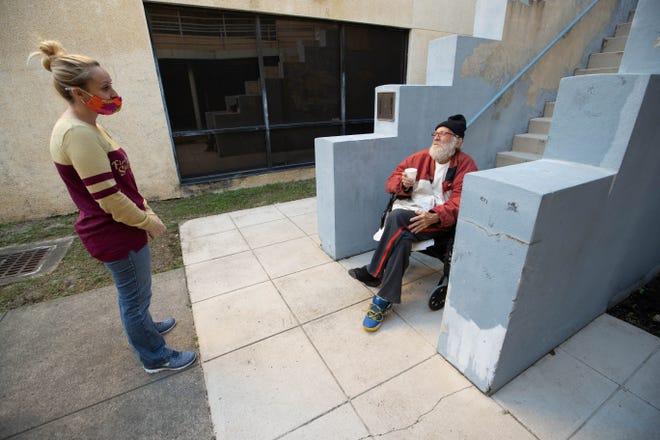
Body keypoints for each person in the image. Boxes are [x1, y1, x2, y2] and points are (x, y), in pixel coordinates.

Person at [30, 40, 197, 373]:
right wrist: (148, 221)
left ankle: (146, 330)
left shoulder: (87, 125)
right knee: (134, 299)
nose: (112, 93)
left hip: (121, 227)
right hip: (115, 231)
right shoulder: (76, 133)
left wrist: (145, 209)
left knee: (137, 295)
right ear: (79, 93)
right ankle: (155, 356)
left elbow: (121, 183)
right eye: (104, 88)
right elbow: (108, 198)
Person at [348, 114, 477, 331]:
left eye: (443, 134)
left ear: (458, 141)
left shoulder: (466, 165)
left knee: (397, 217)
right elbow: (391, 182)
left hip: (440, 222)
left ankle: (375, 272)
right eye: (435, 133)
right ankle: (384, 299)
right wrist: (404, 184)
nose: (436, 138)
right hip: (413, 220)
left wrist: (436, 215)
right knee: (403, 239)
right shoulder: (419, 158)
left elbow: (462, 199)